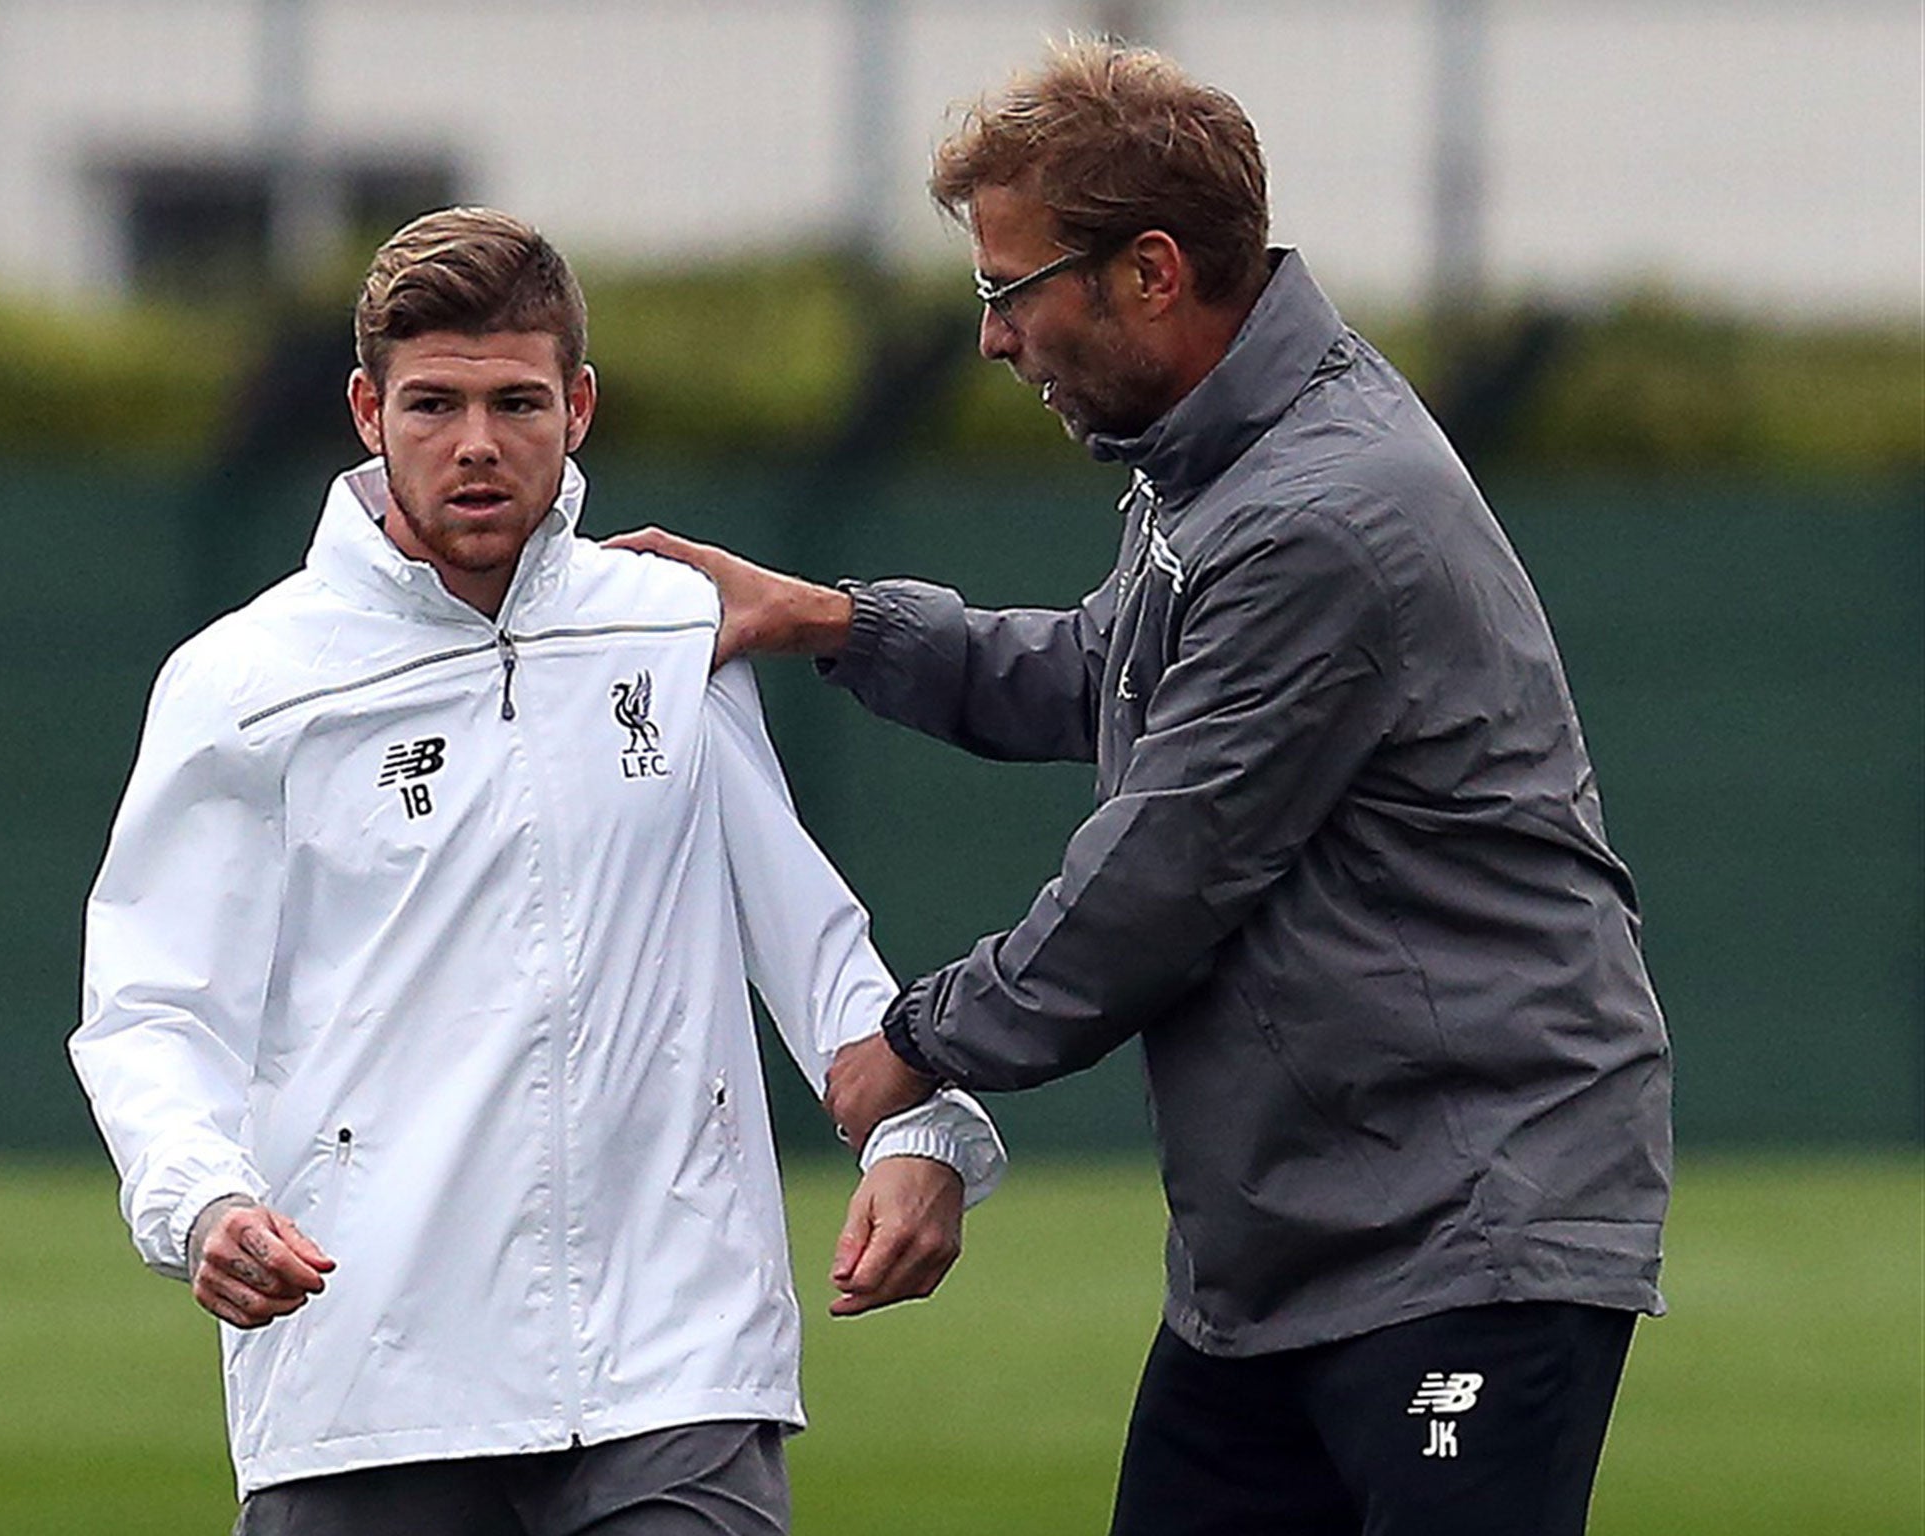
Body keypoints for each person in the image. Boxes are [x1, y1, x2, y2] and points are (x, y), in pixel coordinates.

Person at [611, 39, 1671, 1536]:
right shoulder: (1226, 460)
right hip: (1281, 1252)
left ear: (1153, 272)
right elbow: (1102, 672)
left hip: (1467, 1234)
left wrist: (908, 1043)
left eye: (1009, 288)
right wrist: (835, 620)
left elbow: (1163, 874)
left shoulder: (1322, 508)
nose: (991, 338)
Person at [70, 206, 1004, 1536]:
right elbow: (156, 1005)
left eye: (515, 401)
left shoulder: (673, 628)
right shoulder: (243, 683)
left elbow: (807, 935)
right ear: (364, 410)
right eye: (432, 403)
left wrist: (922, 1131)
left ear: (578, 406)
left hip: (674, 1364)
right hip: (366, 1372)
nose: (475, 444)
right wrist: (198, 1198)